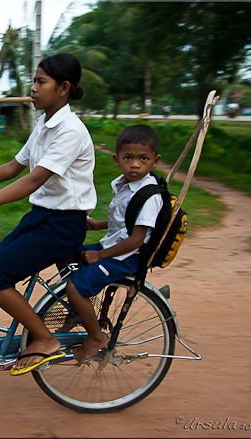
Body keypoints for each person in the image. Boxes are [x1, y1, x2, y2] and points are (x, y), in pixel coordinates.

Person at [0, 53, 97, 376]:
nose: (33, 88)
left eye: (42, 82)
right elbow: (15, 166)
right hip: (42, 217)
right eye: (35, 81)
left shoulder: (70, 130)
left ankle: (44, 338)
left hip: (62, 225)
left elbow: (35, 178)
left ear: (64, 88)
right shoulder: (44, 124)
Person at [60, 124, 164, 363]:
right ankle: (79, 311)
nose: (135, 164)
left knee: (75, 288)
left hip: (126, 256)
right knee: (64, 253)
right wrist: (99, 225)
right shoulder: (125, 185)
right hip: (114, 246)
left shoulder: (149, 195)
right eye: (128, 158)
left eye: (143, 159)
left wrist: (100, 256)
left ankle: (96, 337)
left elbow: (137, 238)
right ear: (117, 159)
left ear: (155, 161)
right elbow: (127, 220)